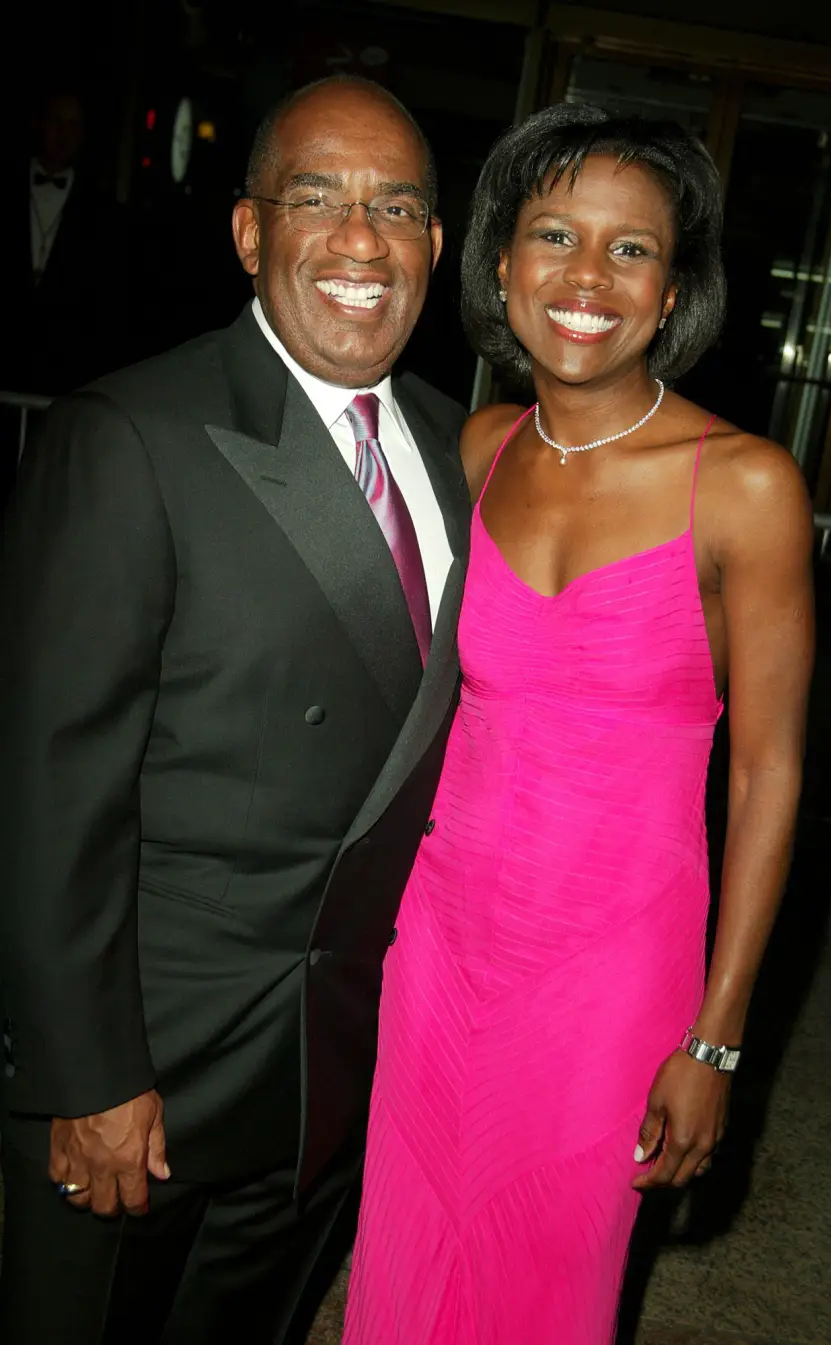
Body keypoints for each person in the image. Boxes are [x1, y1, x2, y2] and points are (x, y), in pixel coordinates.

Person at [0, 75, 470, 1345]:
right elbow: (51, 791)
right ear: (252, 234)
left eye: (397, 207)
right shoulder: (133, 435)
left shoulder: (457, 446)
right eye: (318, 198)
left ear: (437, 244)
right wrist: (87, 1074)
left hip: (331, 1074)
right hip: (152, 1069)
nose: (362, 240)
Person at [342, 103, 814, 1344]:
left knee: (548, 1285)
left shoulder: (747, 487)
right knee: (402, 1262)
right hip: (441, 946)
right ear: (501, 266)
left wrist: (715, 1041)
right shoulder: (485, 445)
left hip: (612, 976)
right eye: (554, 234)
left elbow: (770, 773)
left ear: (673, 294)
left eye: (632, 249)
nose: (587, 277)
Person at [2, 87, 124, 395]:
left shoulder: (100, 208)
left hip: (61, 371)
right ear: (38, 123)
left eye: (73, 126)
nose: (63, 135)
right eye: (56, 121)